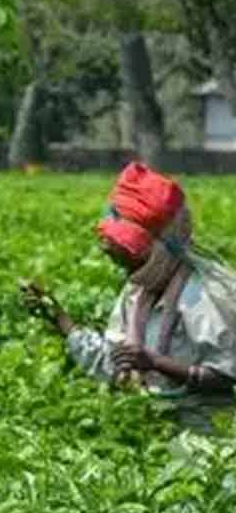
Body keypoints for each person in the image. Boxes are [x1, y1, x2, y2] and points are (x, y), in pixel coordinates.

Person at [23, 162, 236, 430]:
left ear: (163, 248)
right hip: (149, 427)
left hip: (204, 436)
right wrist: (60, 320)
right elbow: (116, 362)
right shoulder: (138, 294)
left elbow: (228, 376)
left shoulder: (202, 297)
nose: (124, 266)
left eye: (132, 256)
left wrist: (156, 363)